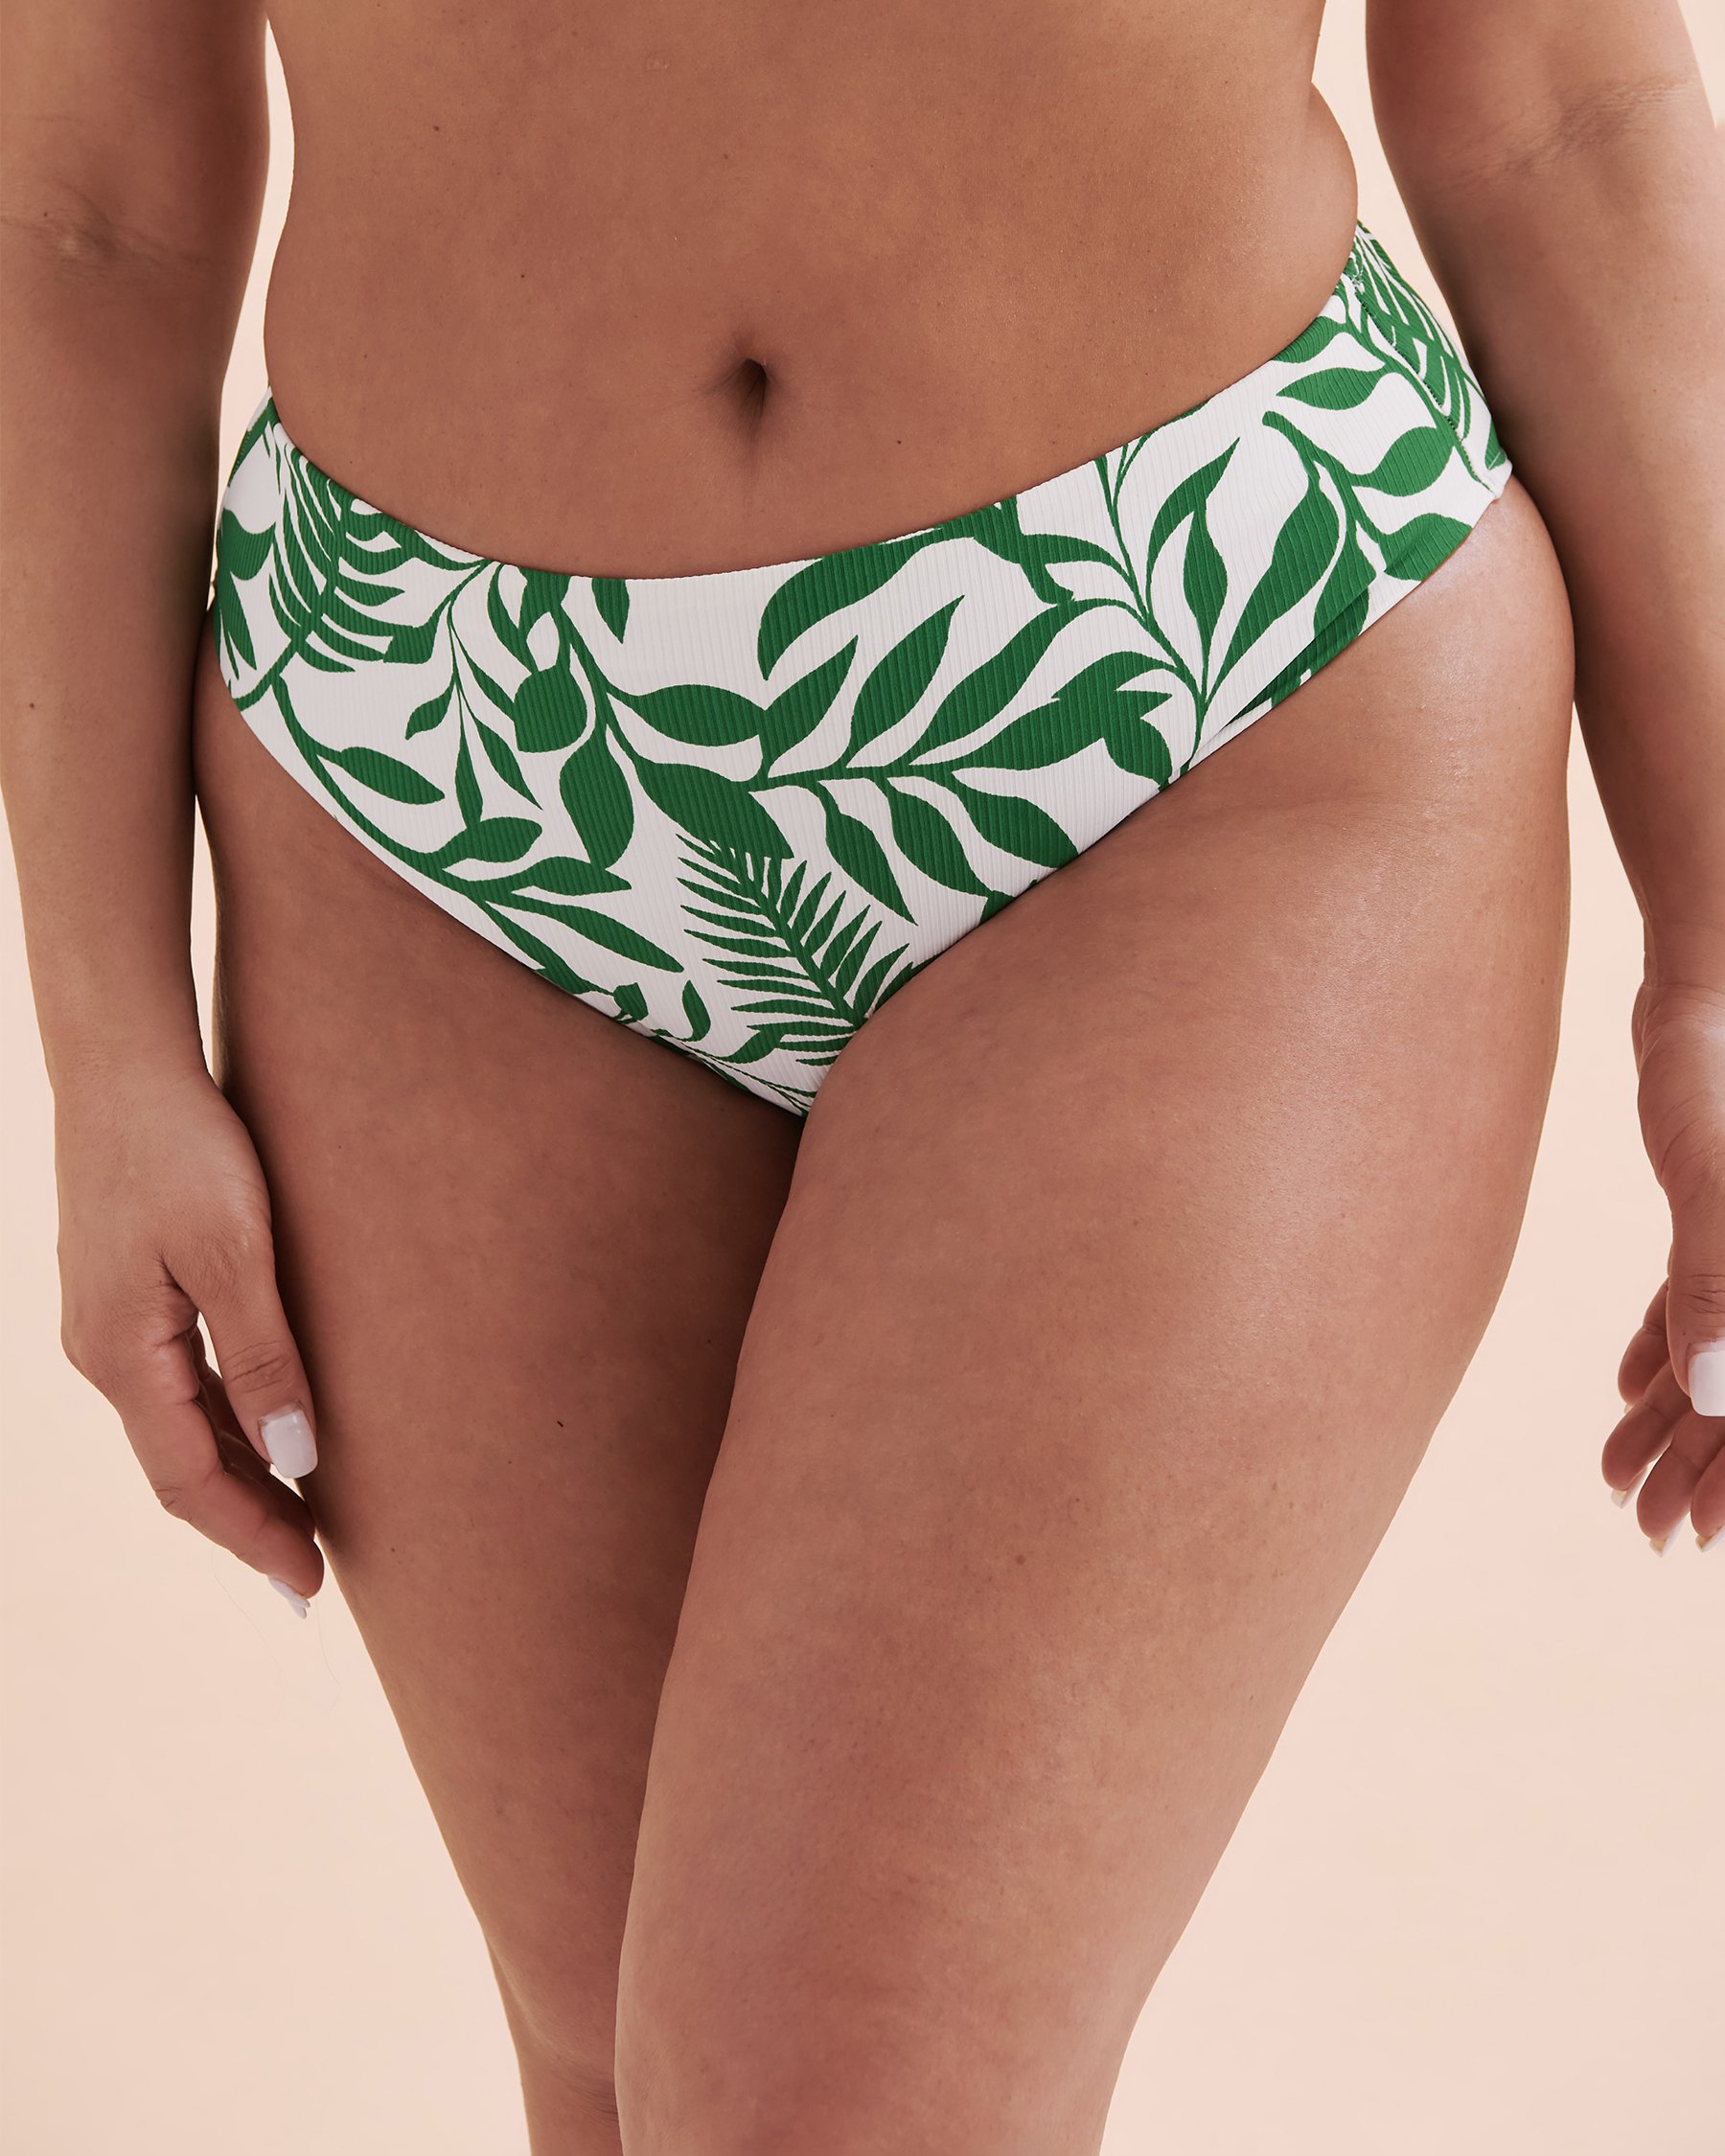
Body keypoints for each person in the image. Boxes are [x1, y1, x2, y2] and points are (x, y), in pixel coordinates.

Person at [2, 2, 1719, 2147]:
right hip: (430, 759)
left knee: (823, 2100)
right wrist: (104, 1041)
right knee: (622, 2076)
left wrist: (1718, 953)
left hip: (1201, 679)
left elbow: (1560, 103)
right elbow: (88, 217)